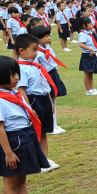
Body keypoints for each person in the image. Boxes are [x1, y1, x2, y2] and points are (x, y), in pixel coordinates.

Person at [0, 55, 51, 194]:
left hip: (25, 136)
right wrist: (8, 153)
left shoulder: (12, 93)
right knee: (11, 181)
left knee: (22, 179)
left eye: (17, 73)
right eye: (12, 75)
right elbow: (0, 129)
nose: (17, 78)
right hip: (14, 142)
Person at [15, 34, 59, 172]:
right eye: (33, 50)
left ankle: (44, 158)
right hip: (32, 100)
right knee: (35, 132)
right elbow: (21, 90)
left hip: (43, 99)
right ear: (21, 51)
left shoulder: (35, 66)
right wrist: (28, 108)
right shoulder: (21, 68)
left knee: (44, 131)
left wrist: (50, 102)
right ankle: (37, 161)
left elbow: (44, 86)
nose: (36, 53)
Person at [31, 25, 67, 134]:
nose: (49, 38)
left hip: (53, 75)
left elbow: (53, 63)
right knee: (49, 101)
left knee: (54, 101)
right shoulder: (37, 52)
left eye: (49, 35)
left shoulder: (48, 49)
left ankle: (55, 124)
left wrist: (56, 72)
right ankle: (51, 126)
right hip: (45, 77)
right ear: (38, 38)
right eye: (46, 36)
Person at [77, 16, 97, 96]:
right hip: (87, 54)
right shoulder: (82, 34)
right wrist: (90, 49)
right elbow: (81, 44)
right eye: (90, 24)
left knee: (91, 72)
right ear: (84, 26)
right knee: (87, 72)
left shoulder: (89, 33)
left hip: (92, 54)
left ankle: (92, 88)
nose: (92, 25)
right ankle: (88, 90)